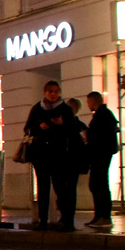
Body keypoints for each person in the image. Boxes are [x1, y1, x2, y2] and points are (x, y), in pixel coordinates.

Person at [23, 80, 81, 231]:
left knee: (61, 187)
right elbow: (28, 129)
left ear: (59, 92)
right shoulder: (37, 108)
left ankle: (66, 219)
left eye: (56, 91)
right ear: (45, 92)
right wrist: (39, 127)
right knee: (43, 187)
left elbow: (75, 130)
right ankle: (43, 220)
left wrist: (63, 124)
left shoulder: (65, 109)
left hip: (59, 153)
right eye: (50, 91)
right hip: (40, 153)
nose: (53, 94)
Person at [85, 91, 120, 228]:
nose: (88, 105)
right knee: (97, 184)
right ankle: (99, 215)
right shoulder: (104, 115)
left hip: (100, 154)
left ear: (93, 101)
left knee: (99, 185)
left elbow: (99, 137)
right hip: (100, 154)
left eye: (88, 102)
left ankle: (104, 216)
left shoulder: (102, 116)